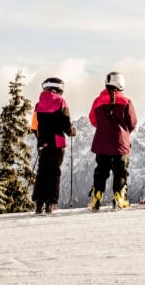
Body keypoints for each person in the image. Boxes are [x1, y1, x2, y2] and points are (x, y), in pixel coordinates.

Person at [88, 72, 137, 210]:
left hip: (102, 143)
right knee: (120, 171)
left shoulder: (97, 101)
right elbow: (132, 123)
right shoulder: (126, 101)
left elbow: (93, 120)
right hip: (120, 144)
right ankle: (119, 197)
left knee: (101, 171)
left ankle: (96, 197)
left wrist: (104, 128)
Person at [30, 77, 76, 214]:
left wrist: (41, 139)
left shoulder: (38, 105)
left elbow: (33, 127)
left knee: (42, 172)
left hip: (43, 144)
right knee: (54, 172)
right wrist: (72, 132)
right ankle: (51, 203)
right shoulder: (61, 102)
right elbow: (66, 123)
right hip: (57, 143)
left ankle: (39, 203)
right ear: (59, 88)